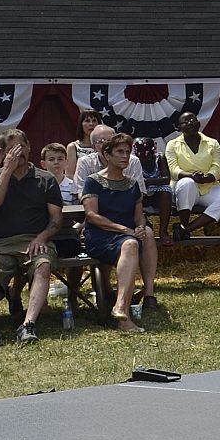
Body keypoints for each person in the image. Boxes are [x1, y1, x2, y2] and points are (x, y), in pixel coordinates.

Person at [0, 128, 61, 348]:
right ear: (4, 152)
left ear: (30, 147)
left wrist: (42, 237)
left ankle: (29, 324)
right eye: (13, 148)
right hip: (1, 241)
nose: (19, 152)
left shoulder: (46, 179)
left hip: (35, 238)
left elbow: (56, 220)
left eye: (22, 146)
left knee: (43, 266)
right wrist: (7, 171)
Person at [81, 132, 160, 332]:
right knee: (131, 243)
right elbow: (92, 216)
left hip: (126, 237)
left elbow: (138, 215)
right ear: (107, 155)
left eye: (127, 152)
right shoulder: (93, 181)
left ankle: (121, 310)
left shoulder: (132, 184)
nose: (125, 156)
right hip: (100, 236)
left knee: (134, 242)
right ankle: (122, 310)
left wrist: (141, 226)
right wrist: (124, 229)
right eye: (119, 152)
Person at [165, 111, 220, 237]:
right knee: (187, 183)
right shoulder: (172, 145)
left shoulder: (212, 143)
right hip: (183, 189)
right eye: (185, 121)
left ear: (199, 123)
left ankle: (186, 229)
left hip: (208, 185)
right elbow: (173, 170)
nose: (189, 123)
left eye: (192, 119)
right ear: (179, 128)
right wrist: (191, 176)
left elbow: (218, 166)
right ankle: (184, 222)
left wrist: (208, 177)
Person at [75, 123, 148, 195]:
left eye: (110, 141)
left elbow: (139, 193)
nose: (107, 145)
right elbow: (81, 193)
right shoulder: (84, 162)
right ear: (93, 147)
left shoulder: (132, 161)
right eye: (102, 141)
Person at [65, 109, 104, 182]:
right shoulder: (73, 147)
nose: (91, 124)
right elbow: (70, 174)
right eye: (87, 121)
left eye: (94, 121)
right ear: (81, 124)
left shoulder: (104, 145)